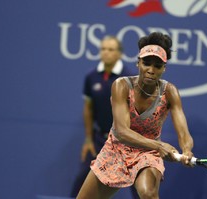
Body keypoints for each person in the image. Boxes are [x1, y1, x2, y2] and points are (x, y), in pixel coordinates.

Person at [76, 32, 195, 199]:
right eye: (146, 63)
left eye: (157, 66)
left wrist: (187, 150)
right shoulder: (121, 86)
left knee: (148, 193)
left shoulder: (170, 92)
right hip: (116, 149)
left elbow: (183, 132)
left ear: (164, 68)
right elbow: (121, 132)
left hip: (147, 153)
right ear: (138, 63)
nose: (151, 70)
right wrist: (159, 146)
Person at [70, 36, 139, 198]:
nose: (106, 53)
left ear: (119, 54)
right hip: (100, 140)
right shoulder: (91, 77)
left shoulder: (131, 79)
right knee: (82, 180)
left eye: (111, 49)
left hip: (126, 141)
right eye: (103, 49)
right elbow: (88, 109)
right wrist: (88, 139)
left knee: (139, 186)